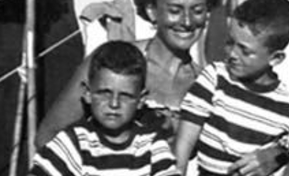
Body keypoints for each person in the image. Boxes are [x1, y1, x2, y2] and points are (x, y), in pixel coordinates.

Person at [37, 0, 224, 149]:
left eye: (197, 11)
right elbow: (48, 135)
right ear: (152, 11)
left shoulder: (206, 83)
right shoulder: (112, 60)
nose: (187, 22)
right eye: (175, 10)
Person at [174, 0, 289, 176]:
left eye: (245, 51)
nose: (232, 54)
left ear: (275, 58)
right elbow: (184, 141)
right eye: (230, 42)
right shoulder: (215, 78)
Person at [30, 41, 180, 176]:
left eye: (125, 96)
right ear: (88, 93)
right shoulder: (73, 143)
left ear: (141, 100)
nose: (114, 104)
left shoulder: (151, 144)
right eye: (104, 93)